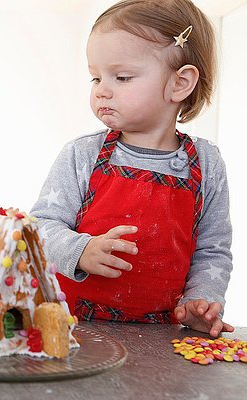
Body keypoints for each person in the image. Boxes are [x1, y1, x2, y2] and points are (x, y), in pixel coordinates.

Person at [30, 0, 234, 337]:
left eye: (122, 77)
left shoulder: (207, 163)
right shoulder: (84, 154)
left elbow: (212, 249)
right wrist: (81, 250)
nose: (101, 90)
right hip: (74, 329)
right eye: (95, 77)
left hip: (159, 337)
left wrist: (202, 299)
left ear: (180, 83)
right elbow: (40, 228)